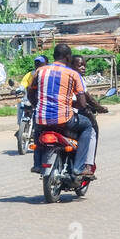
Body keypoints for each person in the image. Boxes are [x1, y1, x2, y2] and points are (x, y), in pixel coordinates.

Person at [29, 43, 96, 181]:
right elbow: (83, 104)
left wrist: (39, 105)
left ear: (54, 56)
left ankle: (37, 164)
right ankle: (79, 167)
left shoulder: (40, 71)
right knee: (87, 125)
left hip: (41, 118)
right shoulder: (73, 74)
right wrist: (72, 105)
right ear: (68, 57)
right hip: (64, 120)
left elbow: (31, 94)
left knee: (38, 128)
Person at [71, 55, 109, 134]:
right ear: (71, 65)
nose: (83, 68)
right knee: (90, 127)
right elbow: (87, 98)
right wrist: (100, 108)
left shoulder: (62, 75)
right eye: (80, 65)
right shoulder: (77, 77)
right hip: (73, 113)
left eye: (84, 65)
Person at [17, 55, 47, 133]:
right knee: (20, 104)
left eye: (40, 63)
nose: (37, 64)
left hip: (43, 100)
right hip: (31, 99)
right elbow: (23, 84)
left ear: (45, 64)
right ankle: (20, 124)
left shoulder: (48, 74)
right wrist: (19, 89)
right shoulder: (30, 74)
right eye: (36, 63)